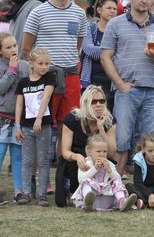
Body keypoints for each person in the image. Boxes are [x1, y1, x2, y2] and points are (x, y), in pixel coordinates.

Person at [101, 0, 154, 175]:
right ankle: (118, 178)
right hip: (127, 89)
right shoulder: (116, 23)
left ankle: (149, 181)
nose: (144, 0)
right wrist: (119, 84)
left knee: (150, 139)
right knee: (123, 138)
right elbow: (105, 56)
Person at [22, 0, 88, 159]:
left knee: (67, 126)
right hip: (45, 76)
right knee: (39, 124)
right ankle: (38, 178)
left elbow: (77, 45)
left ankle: (62, 174)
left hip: (70, 75)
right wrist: (38, 75)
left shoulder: (79, 13)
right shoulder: (38, 12)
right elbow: (27, 49)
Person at [58, 86, 116, 205]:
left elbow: (111, 153)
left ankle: (100, 195)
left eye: (102, 101)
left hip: (99, 159)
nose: (99, 104)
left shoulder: (109, 121)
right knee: (76, 164)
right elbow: (65, 151)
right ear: (85, 103)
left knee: (108, 163)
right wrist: (77, 156)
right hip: (75, 160)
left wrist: (101, 128)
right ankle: (74, 192)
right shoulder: (72, 119)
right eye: (94, 102)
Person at [14, 48, 55, 206]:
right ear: (31, 63)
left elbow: (46, 97)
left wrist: (39, 118)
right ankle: (26, 193)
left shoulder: (49, 78)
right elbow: (19, 105)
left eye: (47, 64)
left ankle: (42, 194)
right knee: (27, 160)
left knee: (43, 160)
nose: (44, 67)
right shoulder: (23, 83)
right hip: (25, 127)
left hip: (43, 125)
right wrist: (17, 126)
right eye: (41, 63)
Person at [71, 135, 136, 211]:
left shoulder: (109, 164)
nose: (102, 154)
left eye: (104, 151)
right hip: (92, 200)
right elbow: (81, 180)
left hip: (105, 200)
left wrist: (109, 170)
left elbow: (119, 180)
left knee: (116, 181)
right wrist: (94, 169)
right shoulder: (85, 163)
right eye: (98, 151)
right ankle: (88, 202)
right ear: (89, 151)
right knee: (86, 181)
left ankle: (122, 202)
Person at [0, 33, 29, 203]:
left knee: (18, 157)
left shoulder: (25, 66)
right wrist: (11, 70)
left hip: (19, 120)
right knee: (1, 154)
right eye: (8, 47)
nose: (13, 50)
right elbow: (1, 89)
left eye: (14, 46)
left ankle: (19, 191)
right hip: (2, 118)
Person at [80, 0, 118, 99]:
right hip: (92, 80)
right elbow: (89, 50)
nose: (112, 11)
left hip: (113, 82)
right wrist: (114, 51)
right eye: (109, 8)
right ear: (99, 10)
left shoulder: (119, 31)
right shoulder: (90, 28)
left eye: (114, 8)